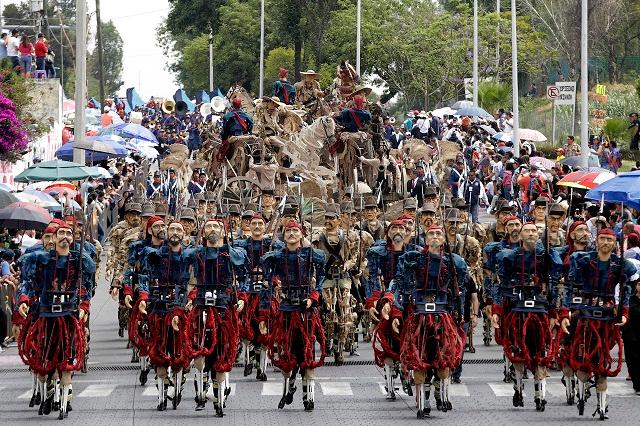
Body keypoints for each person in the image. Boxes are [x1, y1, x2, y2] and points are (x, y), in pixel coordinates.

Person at [17, 223, 96, 419]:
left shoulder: (79, 261)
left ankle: (66, 396)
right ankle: (46, 393)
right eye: (61, 233)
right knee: (45, 358)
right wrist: (24, 300)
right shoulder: (41, 260)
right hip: (45, 316)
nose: (64, 237)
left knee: (67, 357)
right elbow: (27, 283)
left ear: (72, 238)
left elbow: (85, 287)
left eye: (68, 234)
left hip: (68, 316)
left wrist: (84, 308)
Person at [391, 224, 467, 418]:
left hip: (443, 317)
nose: (434, 237)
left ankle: (440, 390)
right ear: (424, 239)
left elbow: (460, 292)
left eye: (438, 234)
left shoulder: (454, 262)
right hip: (418, 316)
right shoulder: (413, 259)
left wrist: (461, 314)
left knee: (443, 360)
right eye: (430, 234)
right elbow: (400, 286)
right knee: (419, 360)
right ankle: (423, 401)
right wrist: (397, 312)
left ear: (443, 239)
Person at [565, 228, 635, 419]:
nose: (605, 242)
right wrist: (567, 310)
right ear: (596, 241)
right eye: (602, 238)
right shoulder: (583, 260)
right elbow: (571, 286)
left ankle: (602, 406)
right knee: (581, 358)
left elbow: (626, 290)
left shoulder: (621, 265)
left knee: (604, 360)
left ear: (614, 243)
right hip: (584, 314)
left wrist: (624, 313)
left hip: (607, 317)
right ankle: (582, 388)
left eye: (609, 239)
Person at [493, 222, 562, 411]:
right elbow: (501, 285)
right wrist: (497, 310)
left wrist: (555, 312)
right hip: (516, 309)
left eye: (534, 231)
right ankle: (518, 386)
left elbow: (554, 285)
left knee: (541, 351)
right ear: (520, 235)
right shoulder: (510, 256)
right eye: (527, 231)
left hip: (540, 309)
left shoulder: (546, 256)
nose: (531, 233)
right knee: (517, 352)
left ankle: (540, 395)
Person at [262, 220, 327, 411]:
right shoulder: (277, 257)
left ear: (301, 234)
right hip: (286, 310)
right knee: (287, 352)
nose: (291, 234)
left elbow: (321, 278)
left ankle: (309, 396)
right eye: (288, 231)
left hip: (306, 309)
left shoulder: (312, 255)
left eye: (295, 231)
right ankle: (289, 387)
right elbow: (268, 278)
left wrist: (314, 296)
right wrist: (275, 288)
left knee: (307, 350)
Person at [187, 218, 249, 415]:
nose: (212, 229)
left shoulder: (233, 252)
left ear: (224, 232)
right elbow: (183, 275)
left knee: (221, 350)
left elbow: (244, 275)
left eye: (217, 226)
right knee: (199, 351)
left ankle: (217, 394)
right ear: (203, 232)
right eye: (209, 226)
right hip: (201, 306)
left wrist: (243, 298)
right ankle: (201, 383)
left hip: (224, 306)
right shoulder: (196, 253)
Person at [366, 219, 414, 399]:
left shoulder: (414, 253)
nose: (398, 231)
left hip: (408, 299)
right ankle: (390, 380)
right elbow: (372, 280)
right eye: (394, 228)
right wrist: (372, 302)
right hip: (385, 298)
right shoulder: (380, 254)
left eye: (401, 228)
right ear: (388, 233)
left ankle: (407, 370)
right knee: (387, 342)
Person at [622, 278, 640, 395]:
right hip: (631, 334)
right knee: (632, 360)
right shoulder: (629, 299)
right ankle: (637, 385)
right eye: (639, 284)